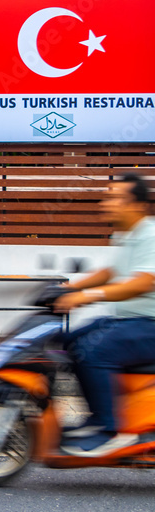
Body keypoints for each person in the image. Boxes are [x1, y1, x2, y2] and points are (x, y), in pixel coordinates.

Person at [54, 173, 155, 457]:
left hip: (149, 325)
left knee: (94, 350)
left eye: (114, 197)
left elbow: (143, 282)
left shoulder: (150, 234)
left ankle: (110, 430)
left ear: (138, 205)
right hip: (131, 321)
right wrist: (70, 286)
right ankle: (97, 415)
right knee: (71, 339)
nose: (105, 203)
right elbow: (113, 271)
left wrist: (87, 296)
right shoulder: (127, 234)